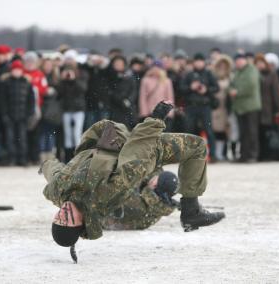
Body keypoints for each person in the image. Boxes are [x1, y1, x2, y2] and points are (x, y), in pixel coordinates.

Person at [40, 101, 225, 250]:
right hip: (139, 151)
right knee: (197, 146)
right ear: (81, 222)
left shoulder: (58, 191)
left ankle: (186, 209)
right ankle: (191, 212)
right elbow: (135, 159)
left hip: (111, 141)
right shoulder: (103, 194)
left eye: (58, 217)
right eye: (68, 219)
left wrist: (45, 164)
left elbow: (54, 173)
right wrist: (156, 120)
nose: (63, 213)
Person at [181, 52, 220, 160]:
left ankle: (213, 155)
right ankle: (190, 155)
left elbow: (216, 88)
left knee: (209, 130)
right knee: (189, 130)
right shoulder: (189, 75)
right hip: (191, 106)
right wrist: (190, 87)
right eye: (196, 61)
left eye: (200, 61)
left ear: (204, 62)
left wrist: (206, 89)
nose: (198, 63)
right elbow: (181, 89)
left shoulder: (208, 74)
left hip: (205, 106)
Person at [0, 60, 35, 166]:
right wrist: (4, 114)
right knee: (10, 138)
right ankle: (12, 158)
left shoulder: (27, 83)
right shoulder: (6, 83)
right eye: (15, 70)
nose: (17, 72)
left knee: (22, 138)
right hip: (10, 115)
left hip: (22, 116)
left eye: (18, 70)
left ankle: (22, 158)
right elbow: (2, 100)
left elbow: (31, 100)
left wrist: (29, 113)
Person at [229, 53, 261, 163]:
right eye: (236, 61)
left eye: (240, 61)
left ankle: (253, 155)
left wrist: (237, 92)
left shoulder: (252, 70)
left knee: (252, 132)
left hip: (251, 107)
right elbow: (231, 85)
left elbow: (251, 86)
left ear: (244, 60)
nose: (238, 63)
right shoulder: (237, 72)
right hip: (240, 107)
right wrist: (231, 90)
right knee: (243, 133)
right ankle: (243, 155)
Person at [58, 65, 87, 162]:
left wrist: (73, 80)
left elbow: (83, 89)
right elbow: (60, 92)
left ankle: (78, 156)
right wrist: (63, 80)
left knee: (77, 133)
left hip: (78, 110)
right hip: (67, 110)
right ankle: (67, 157)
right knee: (67, 134)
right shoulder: (63, 83)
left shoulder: (79, 80)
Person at [254, 54, 279, 161]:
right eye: (257, 63)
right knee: (257, 132)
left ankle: (267, 154)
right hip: (256, 108)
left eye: (261, 63)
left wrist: (277, 109)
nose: (260, 65)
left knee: (267, 132)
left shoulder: (272, 74)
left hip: (267, 108)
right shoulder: (254, 74)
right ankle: (259, 154)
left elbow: (275, 92)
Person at [23, 51, 48, 164]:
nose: (30, 64)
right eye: (27, 62)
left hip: (37, 108)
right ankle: (26, 156)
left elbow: (44, 89)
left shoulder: (39, 74)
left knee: (36, 134)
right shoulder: (22, 74)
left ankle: (35, 156)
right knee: (25, 133)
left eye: (32, 62)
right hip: (24, 109)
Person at [138, 60, 174, 131]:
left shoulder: (166, 81)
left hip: (164, 112)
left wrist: (170, 112)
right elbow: (142, 98)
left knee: (163, 134)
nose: (156, 69)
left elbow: (170, 97)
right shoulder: (145, 80)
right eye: (154, 67)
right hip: (150, 112)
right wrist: (144, 113)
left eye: (158, 68)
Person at [211, 55, 233, 161]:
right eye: (220, 66)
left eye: (225, 66)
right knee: (214, 130)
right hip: (215, 106)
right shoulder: (213, 77)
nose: (222, 68)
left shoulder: (230, 78)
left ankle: (222, 153)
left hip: (225, 107)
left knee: (224, 131)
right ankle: (215, 153)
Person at [107, 55, 137, 128]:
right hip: (114, 108)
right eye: (116, 64)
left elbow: (134, 90)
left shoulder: (129, 76)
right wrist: (121, 100)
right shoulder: (110, 76)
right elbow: (110, 91)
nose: (118, 65)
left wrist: (129, 100)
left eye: (120, 64)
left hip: (127, 109)